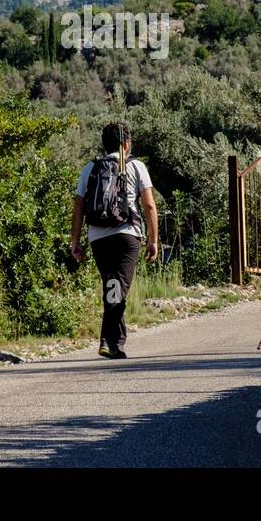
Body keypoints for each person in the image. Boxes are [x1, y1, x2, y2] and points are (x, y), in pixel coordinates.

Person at [70, 122, 158, 359]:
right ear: (126, 144)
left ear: (104, 144)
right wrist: (153, 240)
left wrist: (75, 241)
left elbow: (78, 206)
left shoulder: (91, 168)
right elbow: (149, 205)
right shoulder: (135, 166)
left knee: (113, 285)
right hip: (127, 233)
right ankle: (108, 340)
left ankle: (113, 342)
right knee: (116, 286)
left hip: (98, 236)